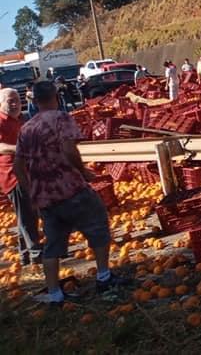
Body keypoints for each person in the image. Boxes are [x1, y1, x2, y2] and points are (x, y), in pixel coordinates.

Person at [13, 81, 128, 305]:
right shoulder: (61, 118)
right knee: (97, 225)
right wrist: (83, 171)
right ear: (56, 97)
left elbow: (18, 165)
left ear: (34, 101)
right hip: (70, 188)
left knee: (53, 244)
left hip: (45, 197)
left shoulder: (26, 128)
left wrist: (31, 192)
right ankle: (104, 276)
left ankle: (55, 293)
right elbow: (68, 149)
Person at [0, 88, 41, 266]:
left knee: (26, 213)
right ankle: (35, 254)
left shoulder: (20, 119)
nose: (15, 104)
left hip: (25, 170)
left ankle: (25, 255)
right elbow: (0, 147)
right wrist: (21, 150)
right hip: (11, 174)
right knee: (27, 215)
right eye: (10, 101)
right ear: (1, 103)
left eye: (17, 99)